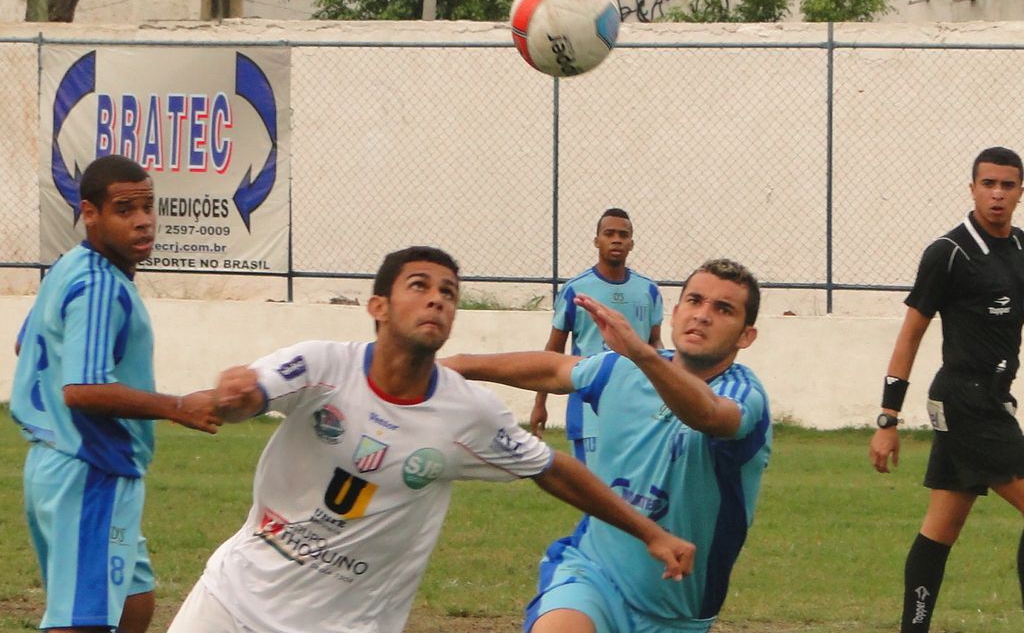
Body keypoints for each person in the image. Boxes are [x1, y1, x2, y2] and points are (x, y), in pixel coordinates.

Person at [168, 245, 694, 633]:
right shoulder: (322, 364)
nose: (437, 300)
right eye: (418, 286)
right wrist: (237, 396)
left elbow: (551, 469)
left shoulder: (467, 411)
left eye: (448, 293)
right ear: (378, 306)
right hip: (231, 600)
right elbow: (254, 392)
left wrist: (650, 532)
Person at [446, 257, 771, 633]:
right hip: (593, 576)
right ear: (676, 311)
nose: (703, 315)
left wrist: (642, 354)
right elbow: (554, 369)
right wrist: (460, 364)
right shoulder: (622, 369)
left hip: (677, 614)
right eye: (695, 301)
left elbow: (709, 415)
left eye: (723, 309)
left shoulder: (743, 394)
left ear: (746, 335)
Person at [10, 154, 222, 633]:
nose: (144, 221)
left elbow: (28, 341)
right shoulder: (98, 285)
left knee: (133, 601)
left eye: (148, 206)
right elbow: (82, 391)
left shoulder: (69, 266)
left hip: (61, 465)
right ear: (91, 213)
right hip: (88, 470)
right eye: (125, 209)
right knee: (83, 620)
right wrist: (177, 407)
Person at [869, 146, 1024, 632]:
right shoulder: (949, 252)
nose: (997, 194)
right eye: (988, 184)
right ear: (972, 187)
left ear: (1021, 192)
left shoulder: (1020, 248)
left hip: (993, 399)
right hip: (963, 400)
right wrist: (888, 419)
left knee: (941, 529)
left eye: (1008, 185)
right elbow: (910, 334)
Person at [531, 207, 664, 464]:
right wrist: (540, 402)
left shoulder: (648, 290)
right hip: (588, 411)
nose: (616, 240)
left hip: (638, 409)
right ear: (596, 241)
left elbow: (654, 343)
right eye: (609, 233)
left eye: (623, 235)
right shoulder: (575, 290)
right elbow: (552, 351)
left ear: (631, 243)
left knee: (634, 494)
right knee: (594, 495)